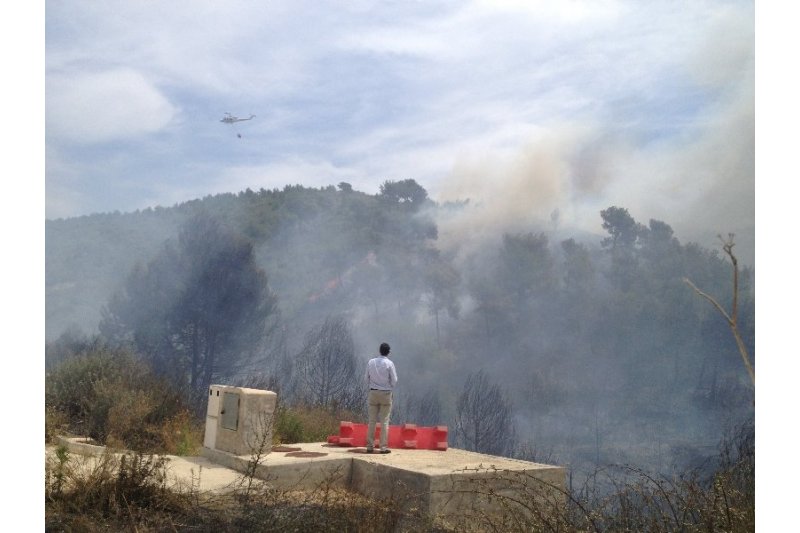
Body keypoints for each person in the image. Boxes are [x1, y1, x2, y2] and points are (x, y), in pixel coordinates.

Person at [365, 342, 397, 454]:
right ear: (388, 352)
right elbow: (394, 380)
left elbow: (366, 378)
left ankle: (370, 446)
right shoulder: (389, 364)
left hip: (373, 393)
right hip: (386, 394)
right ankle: (383, 447)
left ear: (379, 350)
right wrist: (388, 386)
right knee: (384, 421)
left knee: (372, 421)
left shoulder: (371, 362)